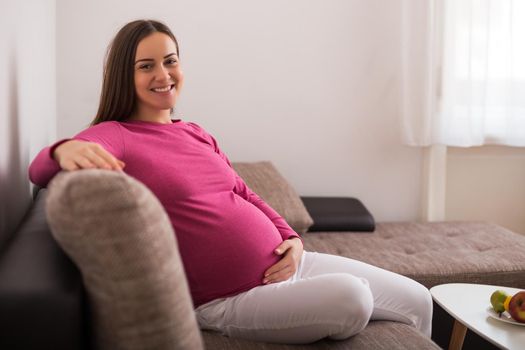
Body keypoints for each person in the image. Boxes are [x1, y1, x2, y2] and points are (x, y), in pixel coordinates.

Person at [28, 19, 432, 344]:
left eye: (170, 61)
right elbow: (40, 170)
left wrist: (291, 238)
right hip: (229, 299)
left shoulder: (195, 132)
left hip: (290, 265)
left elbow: (243, 192)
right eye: (146, 65)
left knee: (418, 298)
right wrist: (61, 151)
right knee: (353, 297)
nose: (164, 74)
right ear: (124, 75)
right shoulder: (116, 134)